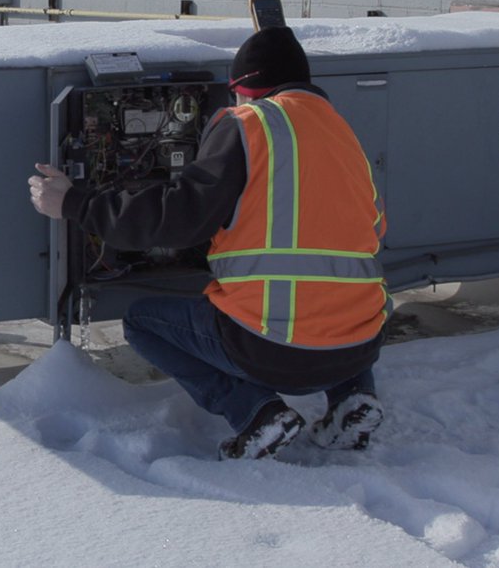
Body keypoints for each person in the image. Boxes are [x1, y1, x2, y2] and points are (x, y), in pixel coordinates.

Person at [28, 26, 390, 460]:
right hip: (361, 346)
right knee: (334, 304)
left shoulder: (251, 124)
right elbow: (367, 231)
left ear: (247, 88)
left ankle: (256, 413)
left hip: (274, 350)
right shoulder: (342, 134)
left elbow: (179, 219)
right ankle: (352, 399)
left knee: (143, 323)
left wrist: (76, 202)